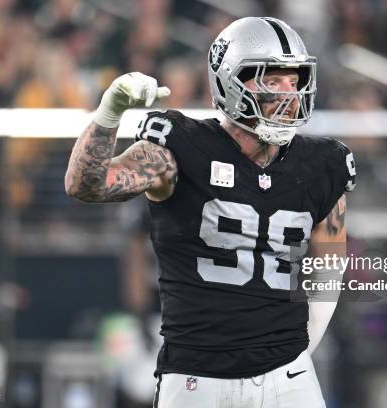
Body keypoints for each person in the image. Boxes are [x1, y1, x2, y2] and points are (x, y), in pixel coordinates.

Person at [65, 17, 356, 408]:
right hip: (195, 377)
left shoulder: (324, 164)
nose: (290, 93)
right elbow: (86, 185)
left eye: (296, 79)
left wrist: (303, 343)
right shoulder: (180, 147)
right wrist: (108, 115)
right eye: (273, 79)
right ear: (229, 81)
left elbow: (330, 261)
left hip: (287, 374)